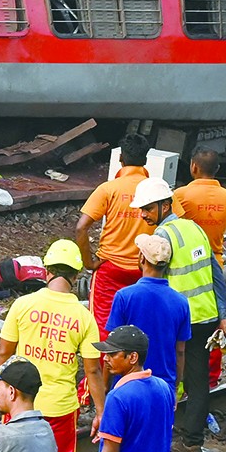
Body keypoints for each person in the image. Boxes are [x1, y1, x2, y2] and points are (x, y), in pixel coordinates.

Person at [0, 239, 105, 452]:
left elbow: (3, 352)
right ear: (76, 274)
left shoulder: (23, 305)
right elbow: (93, 371)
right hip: (59, 407)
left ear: (46, 270)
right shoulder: (83, 316)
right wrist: (100, 410)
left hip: (18, 403)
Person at [151, 192, 220, 452]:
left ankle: (167, 432)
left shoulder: (162, 236)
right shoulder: (194, 227)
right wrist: (222, 314)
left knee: (166, 373)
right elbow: (216, 273)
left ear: (164, 205)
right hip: (204, 313)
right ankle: (193, 440)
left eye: (147, 209)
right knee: (198, 377)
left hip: (178, 317)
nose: (143, 214)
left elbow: (154, 278)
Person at [76, 134, 155, 336]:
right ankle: (136, 366)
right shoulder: (157, 190)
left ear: (121, 158)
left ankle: (105, 367)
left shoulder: (108, 189)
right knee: (141, 325)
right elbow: (177, 222)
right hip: (145, 269)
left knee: (103, 325)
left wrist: (89, 262)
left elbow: (81, 228)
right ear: (145, 160)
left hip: (109, 268)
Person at [108, 231, 191, 391]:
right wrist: (174, 387)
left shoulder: (124, 296)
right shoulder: (181, 302)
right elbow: (180, 351)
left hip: (127, 383)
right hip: (164, 384)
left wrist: (105, 387)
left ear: (142, 258)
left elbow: (112, 347)